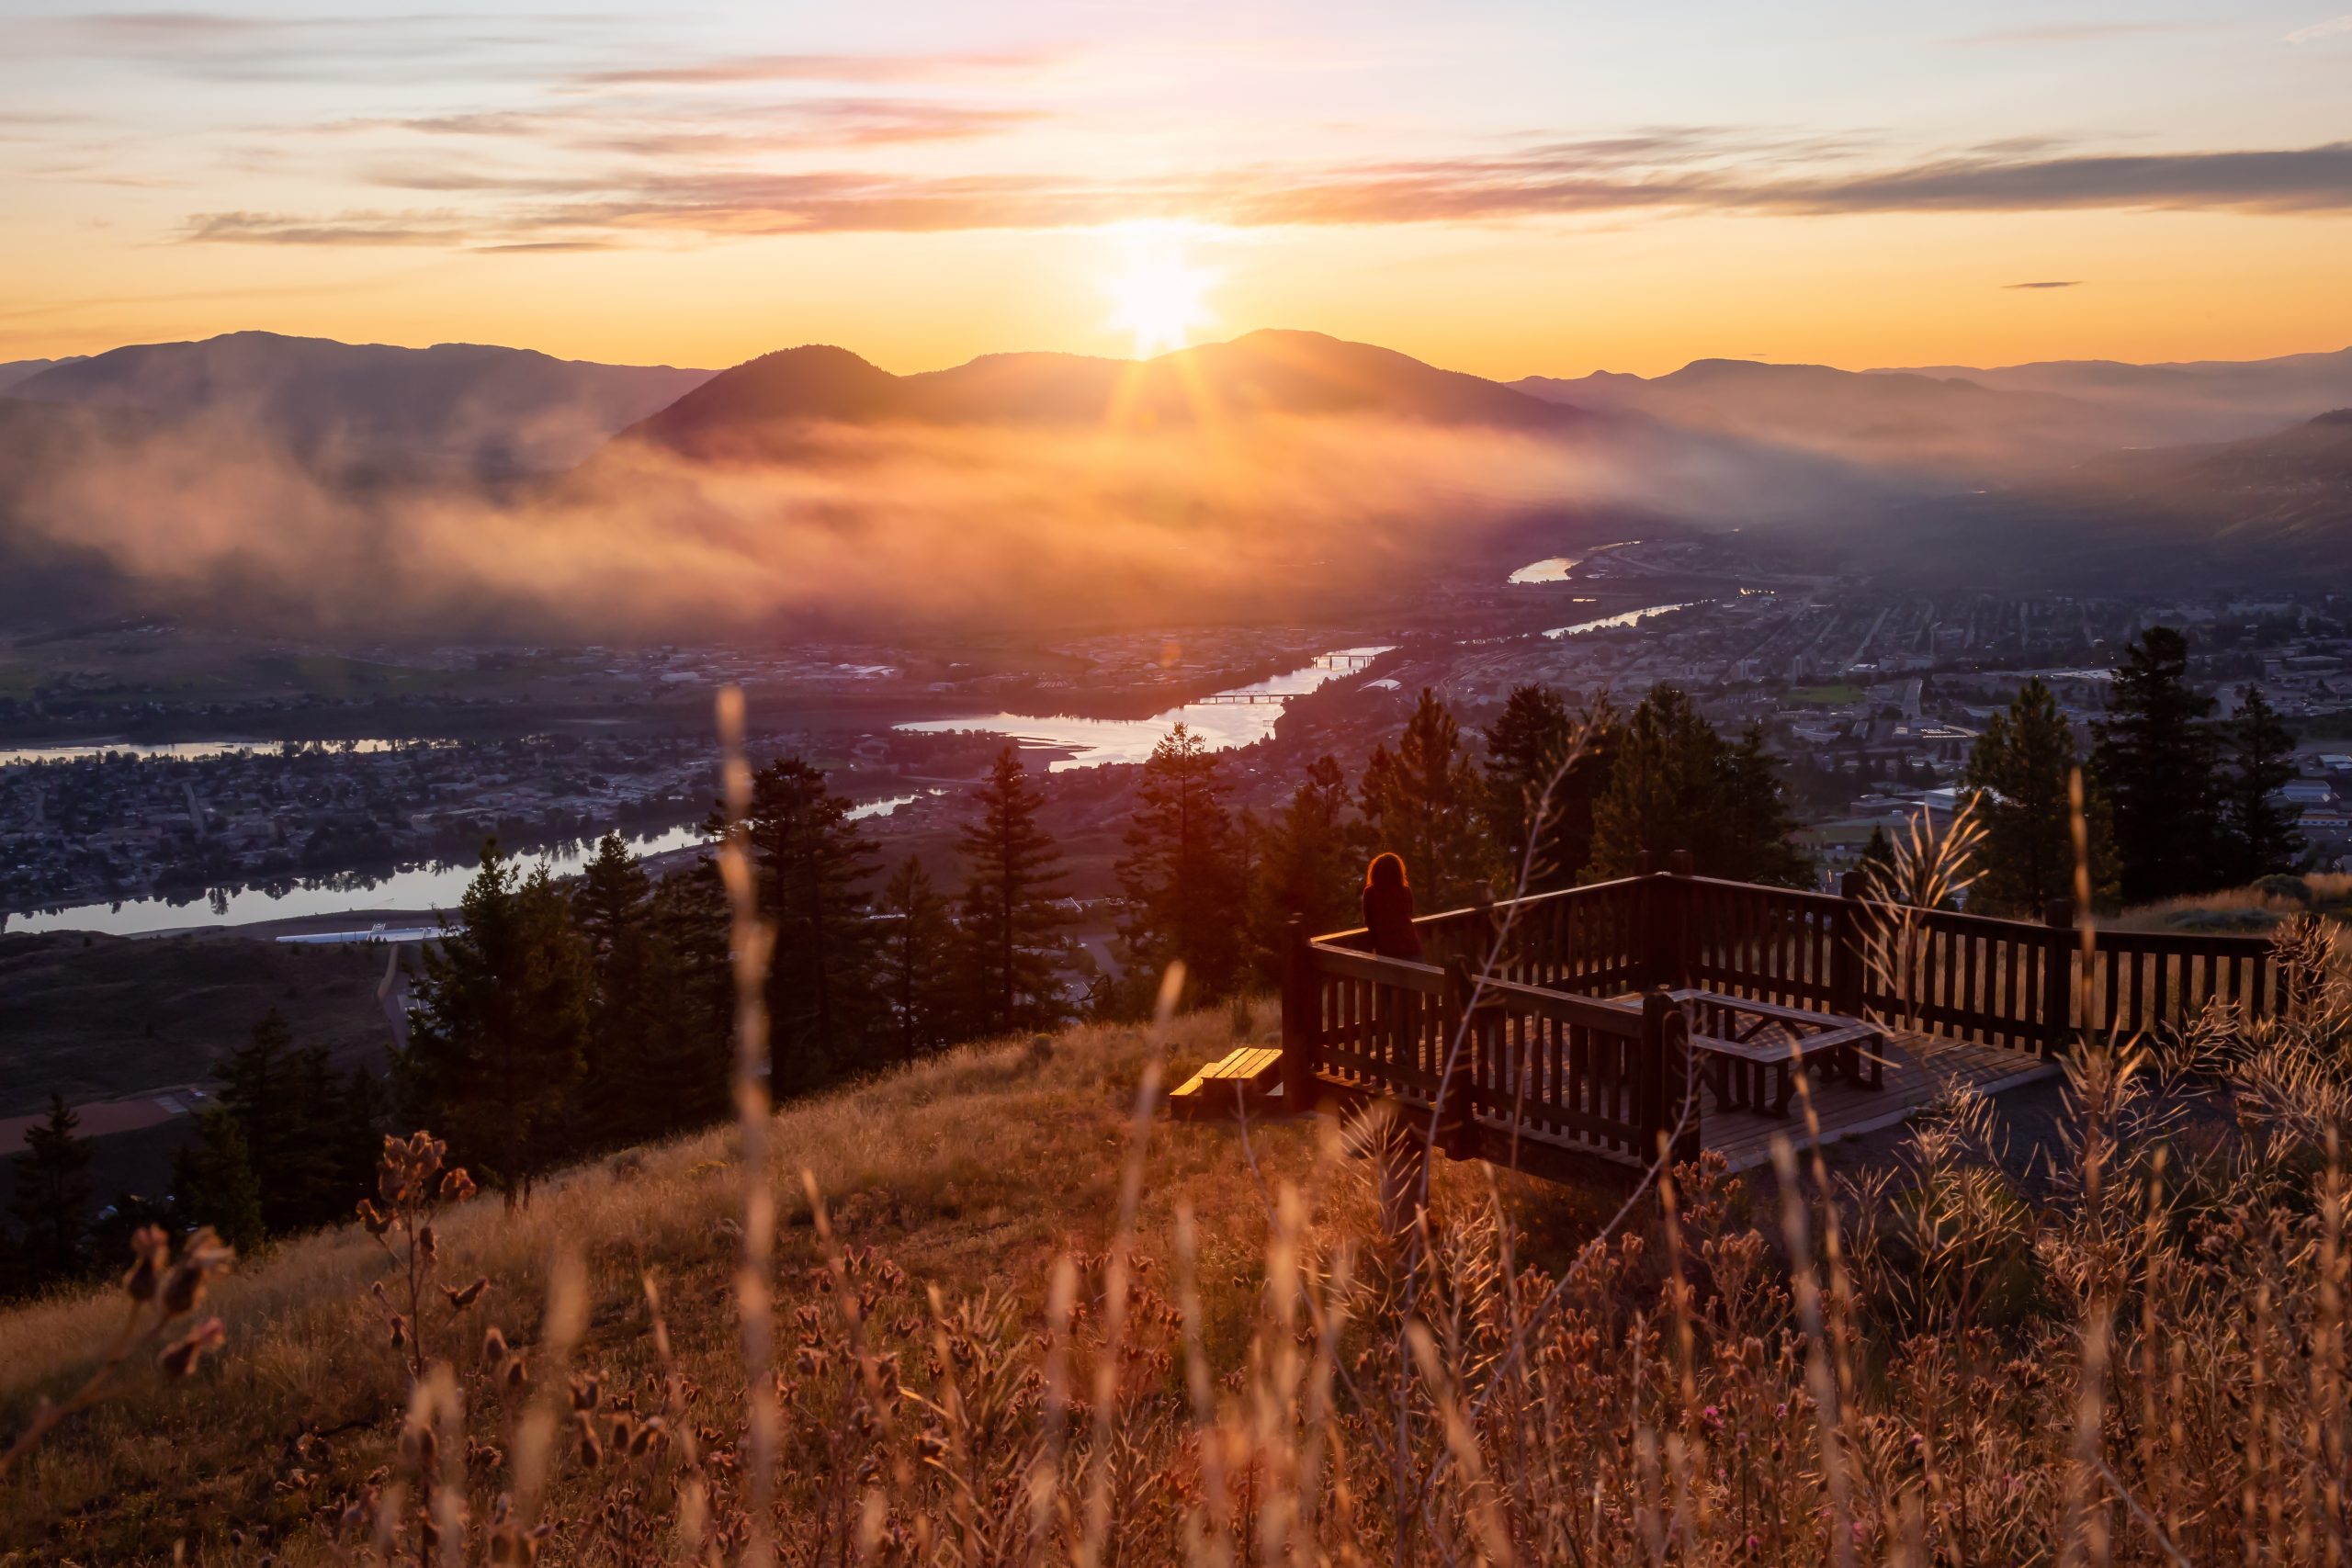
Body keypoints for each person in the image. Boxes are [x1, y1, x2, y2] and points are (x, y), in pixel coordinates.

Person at [1362, 852, 1423, 959]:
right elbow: (1409, 913)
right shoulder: (1405, 891)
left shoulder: (1370, 892)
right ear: (1398, 872)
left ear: (1375, 872)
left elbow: (1369, 920)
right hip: (1412, 946)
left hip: (1388, 949)